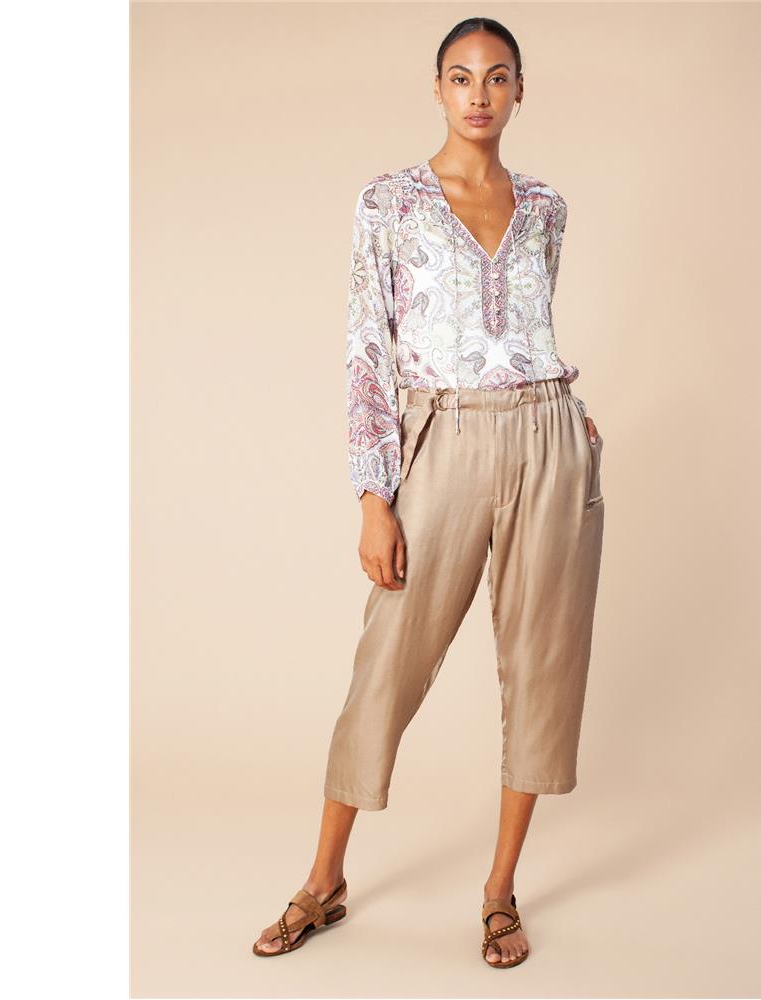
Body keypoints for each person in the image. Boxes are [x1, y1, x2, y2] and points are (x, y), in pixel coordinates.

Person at [253, 16, 604, 968]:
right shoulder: (391, 202)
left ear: (520, 90)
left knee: (543, 668)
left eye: (497, 77)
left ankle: (499, 892)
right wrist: (374, 494)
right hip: (441, 438)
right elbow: (368, 350)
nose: (479, 94)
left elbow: (530, 325)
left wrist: (572, 422)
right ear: (438, 88)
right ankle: (323, 882)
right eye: (461, 76)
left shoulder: (546, 206)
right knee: (386, 667)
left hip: (548, 438)